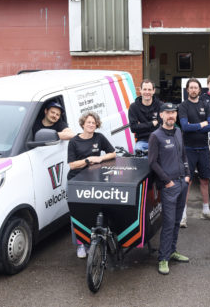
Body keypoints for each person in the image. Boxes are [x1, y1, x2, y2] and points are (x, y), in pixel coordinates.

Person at [148, 102, 191, 275]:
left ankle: (172, 251)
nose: (171, 115)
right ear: (161, 115)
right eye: (168, 113)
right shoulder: (156, 136)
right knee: (167, 223)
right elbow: (152, 162)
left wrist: (188, 174)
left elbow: (183, 154)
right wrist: (167, 181)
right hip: (169, 186)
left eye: (173, 112)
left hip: (182, 183)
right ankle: (163, 258)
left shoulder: (179, 131)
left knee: (176, 222)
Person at [67, 112, 116, 258]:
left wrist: (100, 158)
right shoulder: (74, 141)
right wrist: (88, 160)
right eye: (88, 122)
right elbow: (72, 165)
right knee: (77, 214)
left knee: (93, 212)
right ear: (83, 124)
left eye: (93, 123)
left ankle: (91, 243)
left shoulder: (99, 137)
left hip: (93, 181)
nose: (91, 125)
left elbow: (113, 153)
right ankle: (80, 245)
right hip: (76, 181)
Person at [178, 78, 210, 226]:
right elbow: (184, 127)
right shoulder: (183, 106)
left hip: (203, 148)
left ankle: (206, 210)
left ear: (199, 90)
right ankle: (183, 215)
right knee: (187, 181)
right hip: (188, 149)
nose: (194, 90)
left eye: (196, 88)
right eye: (191, 88)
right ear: (187, 90)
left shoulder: (205, 104)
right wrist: (202, 124)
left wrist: (195, 125)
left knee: (204, 180)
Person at [128, 79, 163, 152]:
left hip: (159, 140)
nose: (147, 92)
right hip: (142, 142)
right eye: (144, 89)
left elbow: (161, 125)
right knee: (138, 154)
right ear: (140, 90)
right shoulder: (134, 107)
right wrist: (152, 123)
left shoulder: (160, 106)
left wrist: (141, 126)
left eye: (149, 89)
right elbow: (133, 128)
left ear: (153, 91)